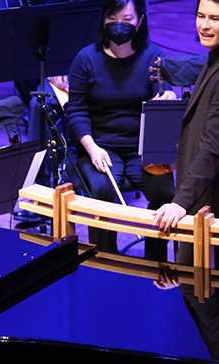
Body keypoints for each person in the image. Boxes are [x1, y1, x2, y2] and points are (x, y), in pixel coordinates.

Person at [65, 0, 177, 261]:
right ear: (103, 20)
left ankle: (155, 263)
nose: (120, 25)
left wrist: (169, 97)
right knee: (102, 191)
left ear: (140, 20)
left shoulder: (154, 57)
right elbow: (77, 112)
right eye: (113, 17)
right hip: (100, 147)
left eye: (127, 19)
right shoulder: (86, 59)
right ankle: (105, 260)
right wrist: (91, 148)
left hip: (143, 150)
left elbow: (163, 105)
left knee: (165, 194)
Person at [153, 0, 219, 273]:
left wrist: (180, 203)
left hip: (214, 199)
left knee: (204, 293)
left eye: (214, 18)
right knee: (213, 293)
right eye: (201, 16)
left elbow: (214, 147)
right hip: (205, 193)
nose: (204, 25)